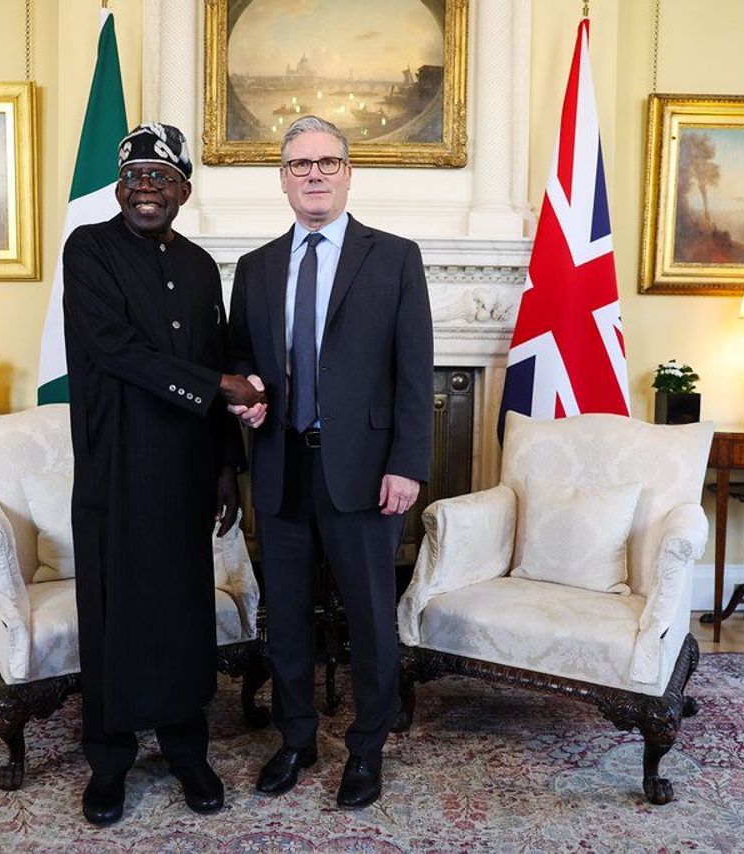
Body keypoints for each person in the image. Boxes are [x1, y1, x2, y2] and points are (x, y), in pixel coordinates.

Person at [62, 122, 265, 826]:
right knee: (114, 613)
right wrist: (219, 386)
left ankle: (186, 750)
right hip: (115, 464)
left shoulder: (202, 266)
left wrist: (227, 466)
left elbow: (215, 355)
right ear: (120, 187)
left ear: (183, 189)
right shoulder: (89, 248)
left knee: (184, 613)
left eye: (161, 177)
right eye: (134, 176)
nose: (145, 187)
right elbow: (114, 347)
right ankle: (109, 761)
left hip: (185, 469)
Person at [227, 115, 433, 809]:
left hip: (368, 473)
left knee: (371, 617)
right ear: (283, 179)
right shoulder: (255, 268)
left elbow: (414, 371)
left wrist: (407, 463)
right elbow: (242, 361)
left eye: (327, 163)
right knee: (285, 617)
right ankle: (296, 738)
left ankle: (367, 748)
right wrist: (249, 397)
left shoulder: (395, 257)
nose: (313, 174)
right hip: (282, 468)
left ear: (348, 173)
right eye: (299, 164)